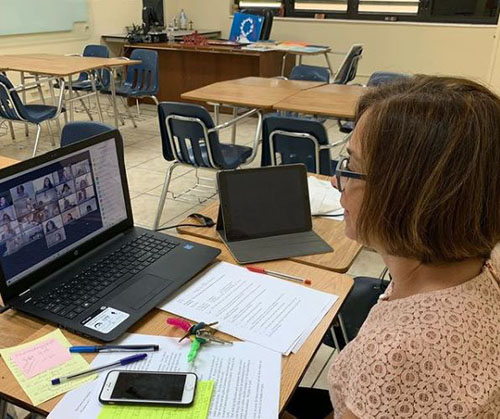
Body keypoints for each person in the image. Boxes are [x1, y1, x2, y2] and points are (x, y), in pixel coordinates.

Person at [287, 76, 500, 418]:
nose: (335, 180)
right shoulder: (485, 269)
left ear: (404, 196)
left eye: (352, 168)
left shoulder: (395, 356)